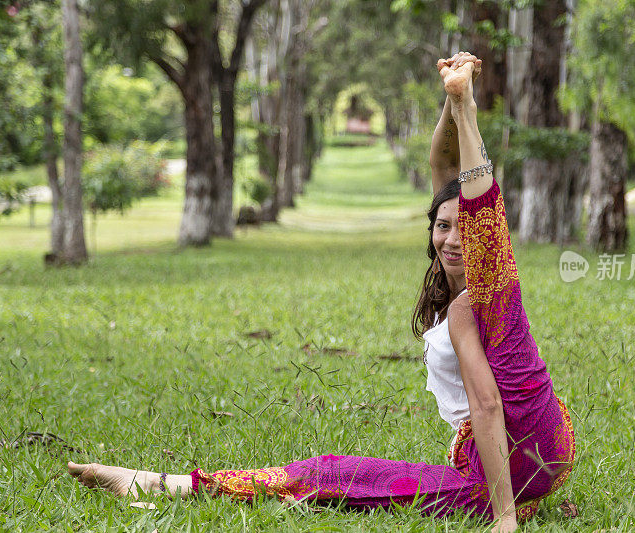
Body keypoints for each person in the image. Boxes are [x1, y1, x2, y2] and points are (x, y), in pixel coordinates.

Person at [67, 52, 575, 532]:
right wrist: (452, 100)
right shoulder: (487, 283)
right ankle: (466, 107)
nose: (453, 238)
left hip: (508, 460)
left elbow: (486, 407)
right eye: (443, 225)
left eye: (463, 226)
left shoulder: (470, 303)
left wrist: (505, 514)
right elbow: (446, 171)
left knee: (330, 473)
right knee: (486, 241)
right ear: (432, 227)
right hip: (546, 442)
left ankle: (161, 484)